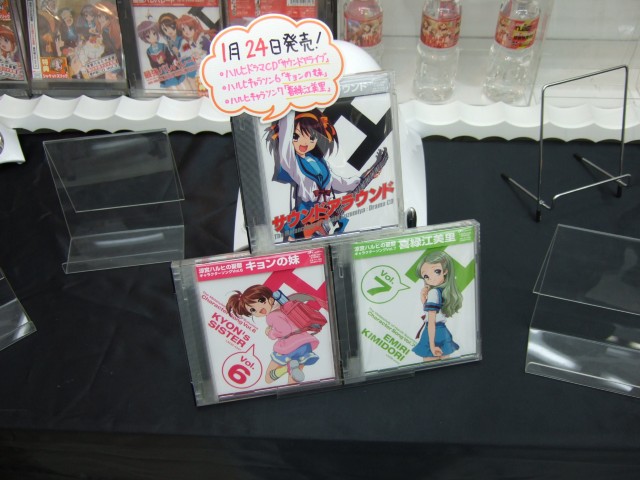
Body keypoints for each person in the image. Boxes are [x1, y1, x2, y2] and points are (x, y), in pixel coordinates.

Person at [265, 109, 364, 240]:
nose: (304, 142)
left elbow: (338, 183)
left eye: (311, 137)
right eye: (296, 136)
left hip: (326, 213)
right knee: (298, 241)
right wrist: (289, 109)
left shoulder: (321, 163)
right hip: (306, 214)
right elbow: (285, 145)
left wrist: (362, 179)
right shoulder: (293, 163)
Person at [226, 285, 322, 384]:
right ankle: (291, 369)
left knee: (268, 378)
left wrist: (270, 333)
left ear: (271, 299)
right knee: (294, 378)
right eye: (253, 310)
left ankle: (287, 368)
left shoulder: (272, 316)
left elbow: (285, 330)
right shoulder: (286, 307)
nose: (260, 309)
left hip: (289, 347)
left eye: (261, 301)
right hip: (304, 345)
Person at [412, 250, 463, 361]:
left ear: (445, 271)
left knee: (430, 366)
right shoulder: (445, 291)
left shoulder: (433, 292)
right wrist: (424, 301)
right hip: (443, 332)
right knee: (445, 364)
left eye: (436, 271)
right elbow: (436, 312)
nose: (431, 278)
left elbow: (431, 321)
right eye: (426, 276)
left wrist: (432, 346)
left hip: (431, 333)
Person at [136, 20, 184, 89]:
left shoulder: (163, 46)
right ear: (144, 38)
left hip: (170, 69)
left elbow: (170, 58)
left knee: (179, 85)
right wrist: (158, 63)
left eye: (154, 33)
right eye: (148, 36)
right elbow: (152, 64)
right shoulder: (148, 51)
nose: (152, 37)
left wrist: (164, 60)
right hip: (162, 73)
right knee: (168, 89)